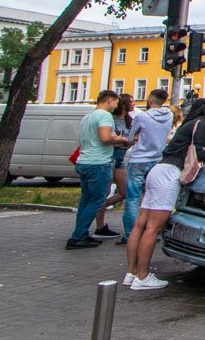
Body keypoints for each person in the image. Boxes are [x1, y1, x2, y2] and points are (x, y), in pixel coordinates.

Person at [125, 102, 205, 290]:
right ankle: (143, 276)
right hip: (170, 174)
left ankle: (131, 273)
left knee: (140, 225)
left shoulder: (189, 124)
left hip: (158, 170)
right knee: (153, 228)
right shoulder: (201, 125)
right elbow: (197, 153)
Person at [68, 90, 130, 249]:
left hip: (84, 161)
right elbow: (105, 138)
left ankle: (81, 233)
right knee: (97, 200)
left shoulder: (88, 116)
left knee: (86, 199)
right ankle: (77, 236)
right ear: (109, 100)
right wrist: (121, 138)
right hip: (98, 163)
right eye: (116, 102)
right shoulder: (105, 116)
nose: (117, 105)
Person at [119, 89, 174, 244]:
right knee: (153, 197)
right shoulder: (169, 115)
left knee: (133, 197)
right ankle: (153, 232)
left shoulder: (142, 116)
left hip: (139, 159)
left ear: (150, 99)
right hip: (157, 159)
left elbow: (130, 137)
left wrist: (135, 137)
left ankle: (130, 234)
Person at [93, 93, 134, 238]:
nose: (133, 104)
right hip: (110, 155)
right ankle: (100, 225)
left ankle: (100, 206)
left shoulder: (129, 120)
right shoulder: (110, 119)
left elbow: (131, 138)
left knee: (124, 191)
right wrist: (121, 140)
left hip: (121, 156)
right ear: (123, 104)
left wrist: (131, 140)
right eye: (131, 101)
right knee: (104, 191)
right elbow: (107, 138)